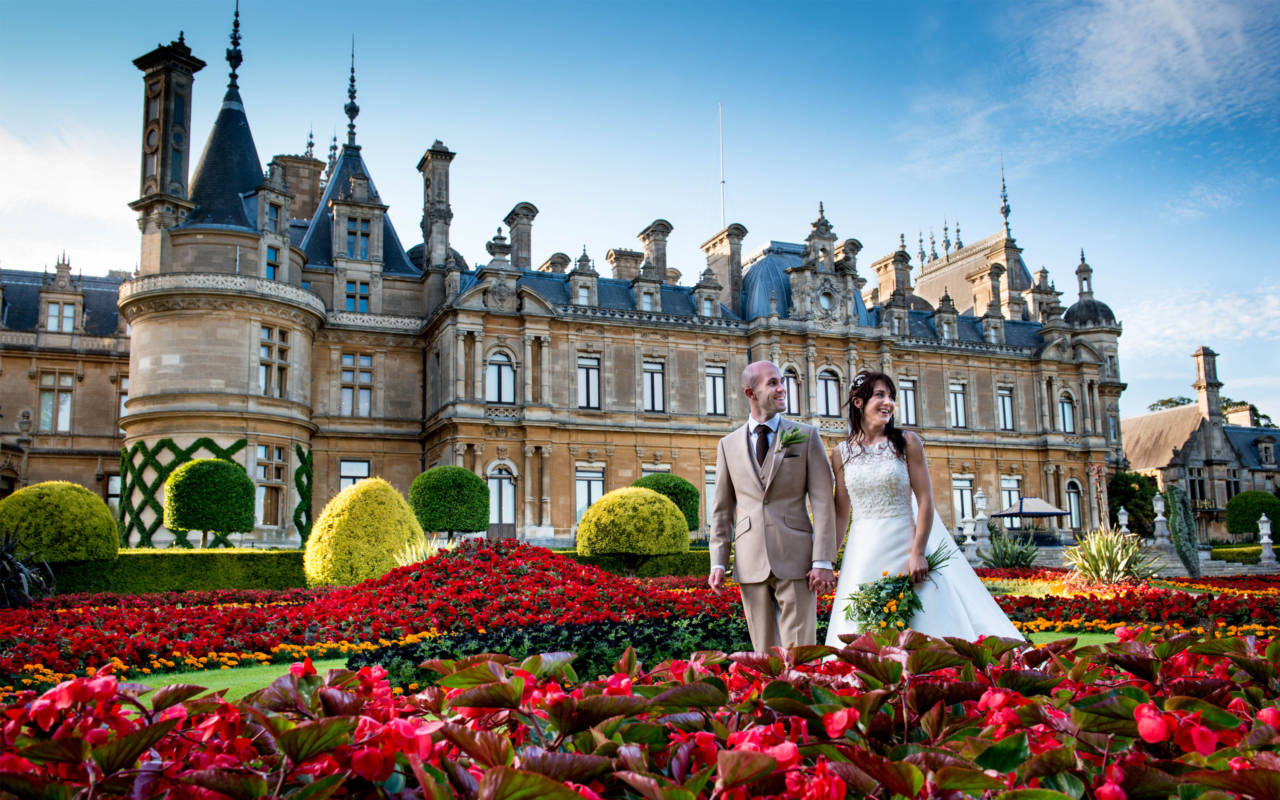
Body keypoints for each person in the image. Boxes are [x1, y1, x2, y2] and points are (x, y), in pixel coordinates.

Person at [825, 370, 1022, 644]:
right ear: (858, 402)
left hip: (904, 542)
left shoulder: (907, 443)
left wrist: (918, 552)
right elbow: (841, 512)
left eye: (891, 396)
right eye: (880, 395)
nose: (889, 403)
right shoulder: (841, 453)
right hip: (863, 550)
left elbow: (925, 499)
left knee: (922, 619)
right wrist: (826, 561)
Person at [709, 361, 838, 652]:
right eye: (773, 383)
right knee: (763, 656)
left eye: (782, 381)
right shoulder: (728, 445)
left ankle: (803, 698)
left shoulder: (806, 436)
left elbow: (822, 502)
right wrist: (718, 560)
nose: (782, 388)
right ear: (750, 392)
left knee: (801, 653)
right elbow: (722, 509)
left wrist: (823, 560)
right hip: (749, 559)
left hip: (798, 560)